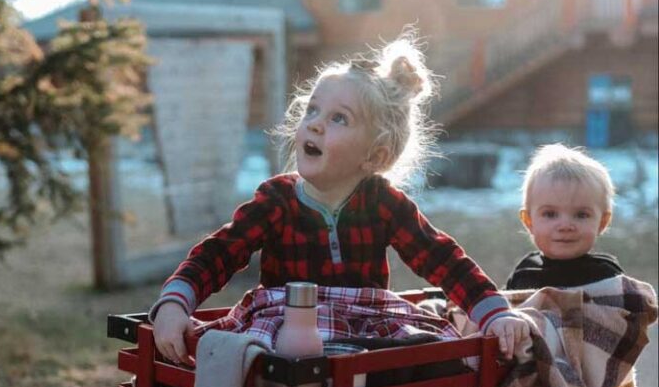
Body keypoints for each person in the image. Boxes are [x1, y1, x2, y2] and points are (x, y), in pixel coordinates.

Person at [152, 35, 530, 363]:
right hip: (288, 324)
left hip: (365, 326)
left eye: (339, 119)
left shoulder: (383, 203)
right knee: (257, 361)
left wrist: (493, 312)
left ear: (375, 156)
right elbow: (218, 254)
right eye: (312, 110)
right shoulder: (277, 200)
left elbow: (442, 259)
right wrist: (175, 302)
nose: (314, 123)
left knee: (430, 353)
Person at [506, 143, 623, 290]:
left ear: (602, 222)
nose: (565, 226)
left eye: (581, 215)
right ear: (528, 221)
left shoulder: (608, 278)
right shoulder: (524, 274)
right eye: (550, 214)